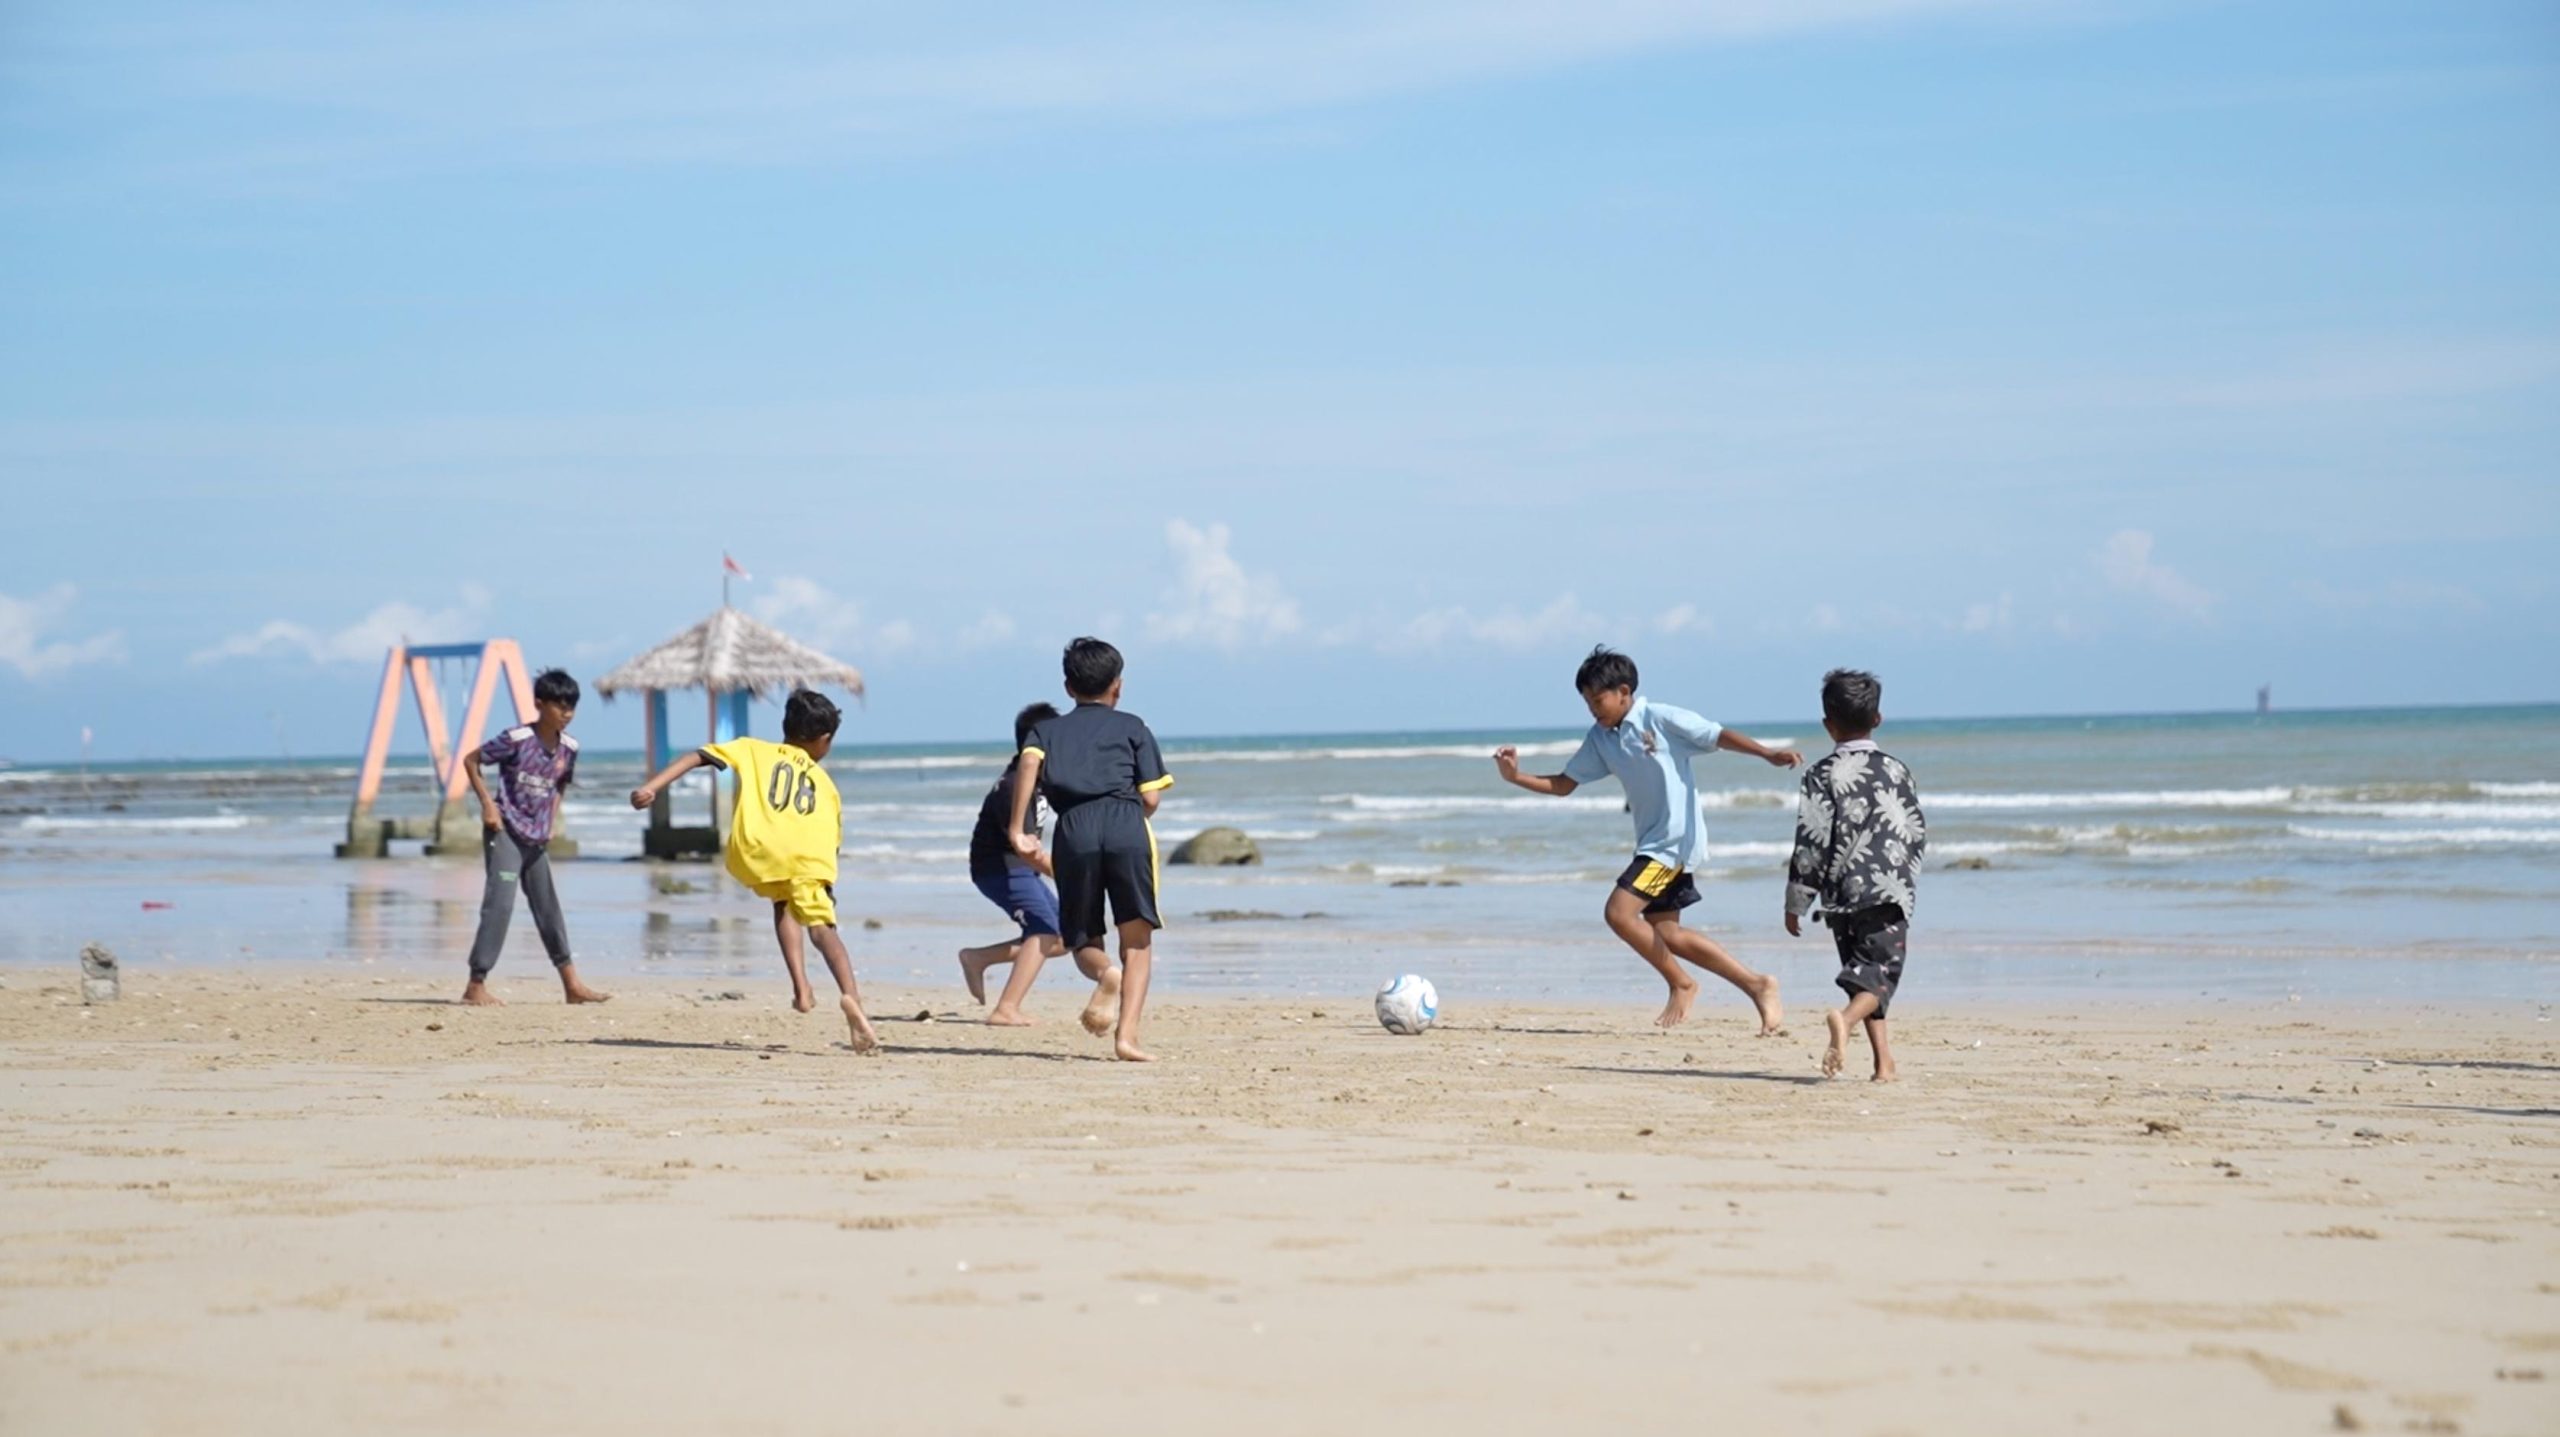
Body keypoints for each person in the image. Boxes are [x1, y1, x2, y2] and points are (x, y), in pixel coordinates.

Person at [1494, 645, 1797, 1031]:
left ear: (1624, 691)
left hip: (1673, 846)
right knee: (1667, 934)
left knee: (1619, 913)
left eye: (1598, 699)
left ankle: (1681, 983)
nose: (1593, 708)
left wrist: (1767, 753)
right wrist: (1515, 777)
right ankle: (1757, 986)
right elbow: (1564, 784)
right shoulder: (1602, 738)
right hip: (1653, 845)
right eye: (1587, 701)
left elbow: (1718, 735)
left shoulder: (1661, 719)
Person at [628, 688, 878, 1054]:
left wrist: (652, 787)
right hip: (807, 859)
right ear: (824, 740)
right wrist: (827, 876)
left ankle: (801, 989)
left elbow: (698, 755)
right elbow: (832, 833)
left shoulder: (752, 748)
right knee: (824, 930)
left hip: (759, 851)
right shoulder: (825, 783)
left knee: (782, 904)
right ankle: (852, 999)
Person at [1006, 638, 1172, 1061]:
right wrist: (1127, 821)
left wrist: (1019, 829)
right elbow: (1151, 799)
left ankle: (1105, 974)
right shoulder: (1134, 726)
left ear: (1068, 687)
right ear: (1118, 685)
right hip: (1126, 823)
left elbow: (1028, 763)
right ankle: (1127, 1038)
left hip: (1074, 829)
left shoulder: (1046, 730)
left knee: (1084, 938)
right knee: (1137, 939)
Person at [1785, 668, 1926, 1081]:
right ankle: (1844, 1022)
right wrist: (1905, 881)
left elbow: (1810, 842)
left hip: (1840, 895)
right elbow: (1914, 829)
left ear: (1828, 724)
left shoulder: (1818, 775)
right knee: (1879, 974)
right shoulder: (1897, 770)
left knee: (1865, 976)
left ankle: (1884, 1064)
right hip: (1886, 891)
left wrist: (1796, 901)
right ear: (1877, 719)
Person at [461, 668, 609, 1006]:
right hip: (506, 833)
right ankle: (475, 985)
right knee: (500, 905)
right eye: (560, 707)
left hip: (537, 838)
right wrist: (488, 805)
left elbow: (560, 783)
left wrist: (553, 817)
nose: (567, 715)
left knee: (548, 909)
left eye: (571, 708)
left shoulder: (570, 747)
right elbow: (471, 760)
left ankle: (572, 985)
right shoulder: (515, 740)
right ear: (540, 705)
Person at [959, 702, 1089, 1026]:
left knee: (1062, 937)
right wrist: (1075, 877)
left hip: (1018, 867)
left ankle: (978, 958)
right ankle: (1006, 1008)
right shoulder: (1016, 785)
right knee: (1045, 930)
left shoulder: (1037, 780)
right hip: (1001, 867)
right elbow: (1029, 851)